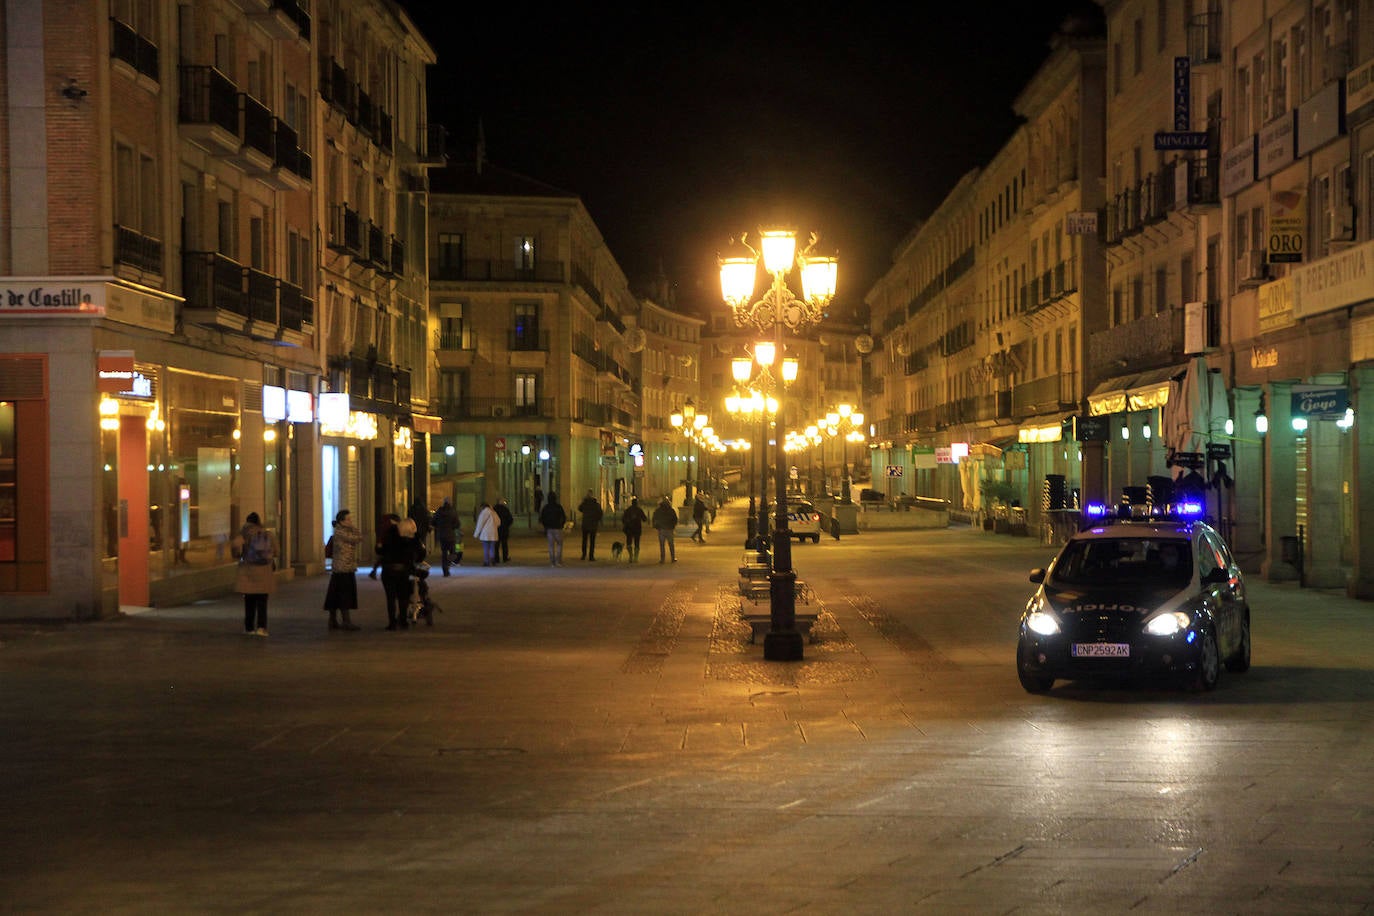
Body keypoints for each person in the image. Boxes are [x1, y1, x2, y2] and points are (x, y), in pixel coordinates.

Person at [232, 511, 278, 636]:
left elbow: (235, 548)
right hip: (264, 572)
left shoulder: (244, 534)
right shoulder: (266, 534)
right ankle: (262, 628)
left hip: (249, 571)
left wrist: (240, 555)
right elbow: (276, 550)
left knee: (249, 601)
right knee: (262, 601)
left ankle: (249, 628)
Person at [377, 516, 424, 631]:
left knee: (390, 598)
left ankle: (392, 623)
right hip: (405, 571)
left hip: (389, 570)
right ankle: (403, 621)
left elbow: (380, 551)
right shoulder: (414, 540)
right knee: (403, 597)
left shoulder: (390, 536)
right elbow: (421, 554)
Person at [323, 509, 363, 631]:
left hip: (345, 567)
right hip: (343, 568)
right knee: (343, 594)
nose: (351, 521)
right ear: (341, 521)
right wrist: (353, 527)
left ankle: (333, 620)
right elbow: (358, 537)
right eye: (348, 519)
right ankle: (345, 621)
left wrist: (350, 527)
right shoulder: (341, 532)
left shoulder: (341, 530)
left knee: (336, 594)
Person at [430, 498, 461, 575]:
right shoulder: (453, 512)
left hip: (441, 535)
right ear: (450, 503)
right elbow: (457, 524)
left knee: (444, 553)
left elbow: (433, 522)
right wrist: (452, 527)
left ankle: (445, 570)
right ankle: (448, 564)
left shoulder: (439, 512)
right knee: (453, 553)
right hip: (450, 535)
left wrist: (439, 526)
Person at [367, 512, 399, 579]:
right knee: (383, 558)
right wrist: (380, 542)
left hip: (385, 544)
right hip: (385, 544)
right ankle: (376, 572)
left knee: (382, 558)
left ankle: (374, 571)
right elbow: (382, 534)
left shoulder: (385, 523)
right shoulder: (387, 525)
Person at [539, 491, 567, 567]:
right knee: (559, 545)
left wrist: (545, 526)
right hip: (558, 528)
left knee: (551, 546)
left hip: (549, 529)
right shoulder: (558, 507)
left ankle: (552, 562)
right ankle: (558, 561)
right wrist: (562, 525)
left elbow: (542, 518)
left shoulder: (546, 508)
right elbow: (564, 517)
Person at [651, 496, 678, 564]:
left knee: (662, 545)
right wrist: (673, 526)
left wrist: (657, 526)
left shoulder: (658, 510)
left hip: (661, 529)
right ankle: (673, 557)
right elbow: (675, 519)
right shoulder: (671, 510)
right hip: (669, 529)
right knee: (671, 544)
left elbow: (654, 519)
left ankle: (662, 559)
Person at [578, 489, 603, 561]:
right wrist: (597, 520)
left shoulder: (585, 503)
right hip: (593, 525)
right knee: (592, 541)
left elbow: (579, 508)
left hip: (585, 524)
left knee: (584, 540)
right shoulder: (596, 504)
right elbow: (600, 513)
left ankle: (583, 555)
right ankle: (591, 556)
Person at [621, 497, 648, 563]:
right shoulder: (639, 510)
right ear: (637, 503)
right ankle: (636, 557)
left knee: (629, 543)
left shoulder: (628, 510)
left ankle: (630, 556)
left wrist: (627, 522)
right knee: (637, 543)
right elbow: (644, 519)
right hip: (637, 529)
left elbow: (623, 519)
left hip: (629, 529)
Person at [474, 501, 500, 566]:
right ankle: (493, 560)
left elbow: (480, 524)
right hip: (493, 533)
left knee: (486, 548)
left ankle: (486, 562)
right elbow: (499, 523)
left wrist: (476, 534)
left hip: (485, 533)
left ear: (483, 507)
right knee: (492, 547)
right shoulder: (494, 513)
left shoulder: (483, 513)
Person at [494, 497, 514, 563]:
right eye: (503, 501)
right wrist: (506, 525)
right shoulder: (505, 509)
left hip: (496, 529)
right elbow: (510, 519)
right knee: (504, 544)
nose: (504, 502)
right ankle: (505, 558)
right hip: (504, 530)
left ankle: (496, 558)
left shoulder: (494, 509)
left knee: (496, 545)